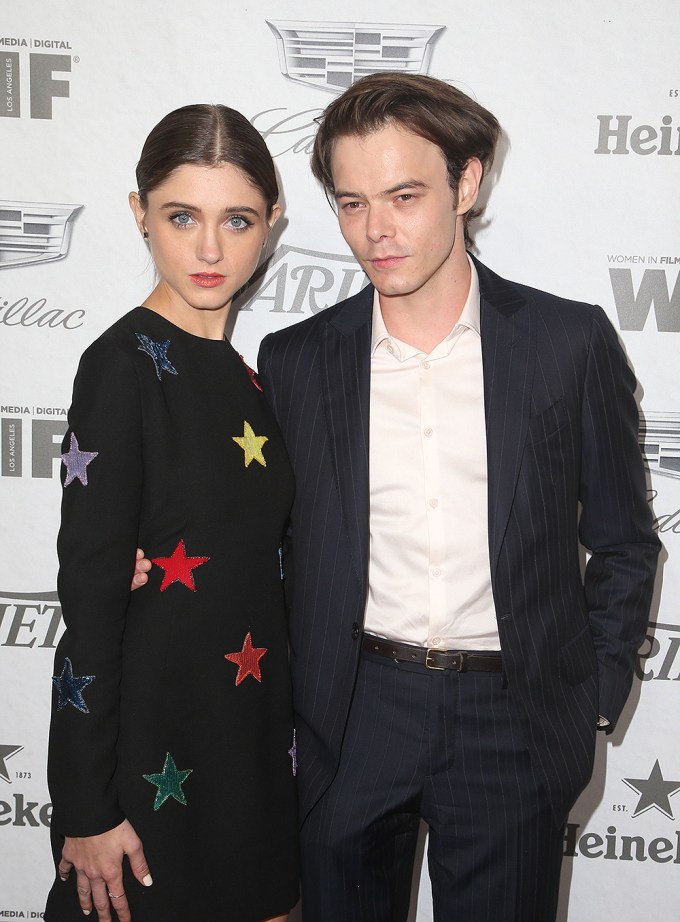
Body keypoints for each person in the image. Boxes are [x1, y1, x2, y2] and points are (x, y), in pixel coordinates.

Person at [134, 74, 660, 920]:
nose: (375, 231)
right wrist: (149, 558)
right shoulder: (297, 361)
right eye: (350, 203)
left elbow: (627, 543)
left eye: (405, 195)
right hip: (348, 712)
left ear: (468, 183)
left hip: (512, 720)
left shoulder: (568, 344)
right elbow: (251, 527)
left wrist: (589, 697)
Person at [46, 104, 298, 922]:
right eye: (181, 216)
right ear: (138, 214)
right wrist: (85, 805)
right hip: (153, 764)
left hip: (252, 749)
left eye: (238, 219)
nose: (211, 249)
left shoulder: (253, 379)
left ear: (273, 224)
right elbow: (88, 604)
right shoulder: (121, 366)